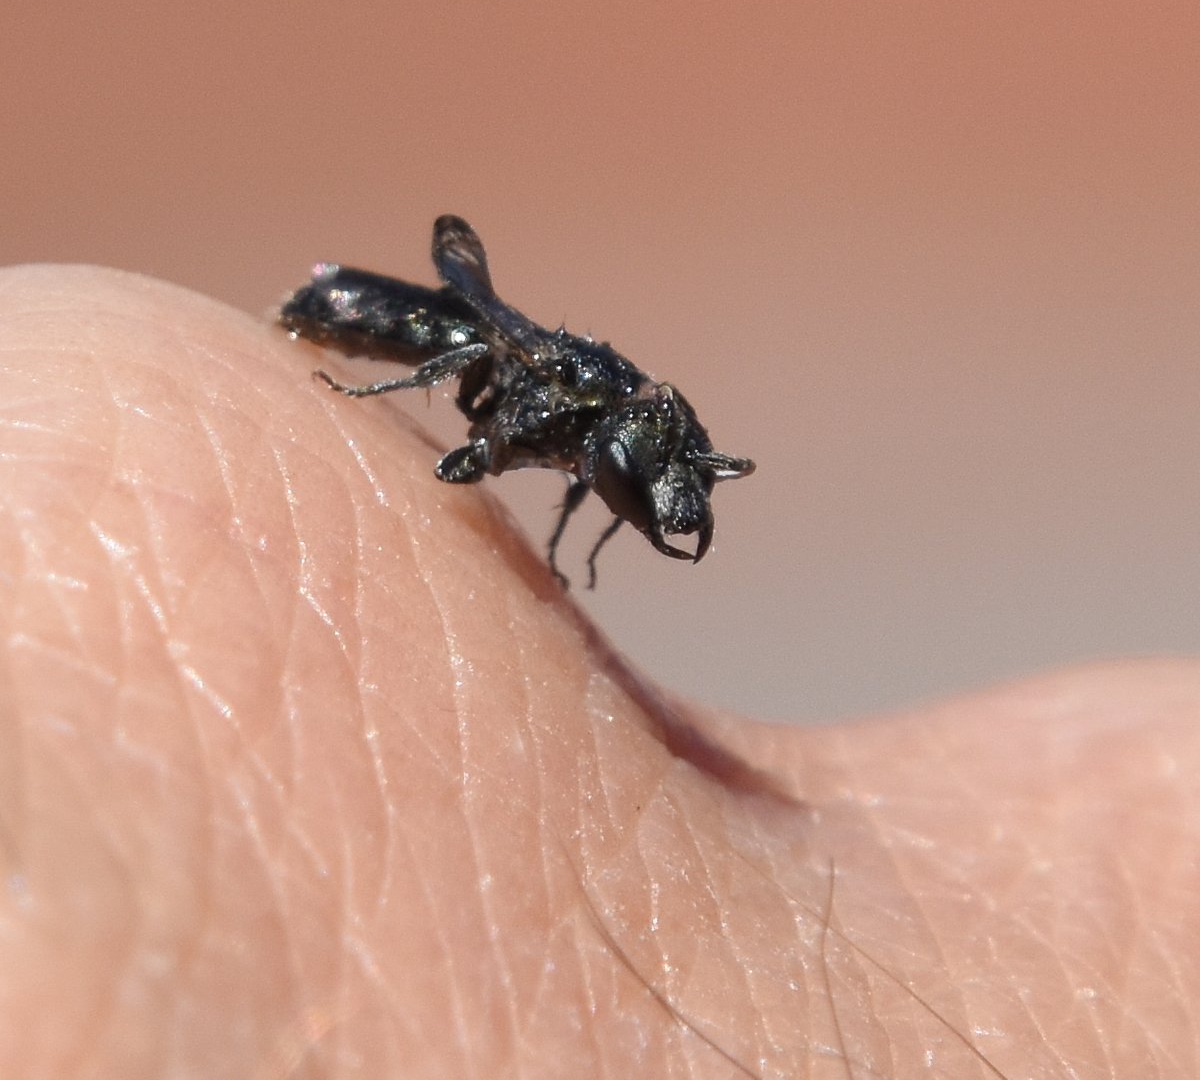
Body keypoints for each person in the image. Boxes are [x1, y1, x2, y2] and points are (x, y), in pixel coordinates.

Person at [1, 265, 1196, 1078]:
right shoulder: (549, 393)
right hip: (372, 316)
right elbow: (485, 378)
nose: (647, 493)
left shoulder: (612, 424)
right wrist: (373, 389)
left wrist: (606, 520)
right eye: (639, 480)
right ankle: (376, 380)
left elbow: (610, 454)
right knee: (444, 351)